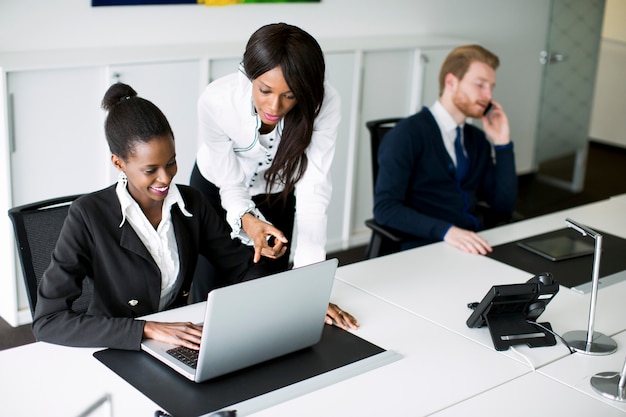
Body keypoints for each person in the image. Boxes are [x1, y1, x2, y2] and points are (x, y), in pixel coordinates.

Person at [32, 83, 354, 351]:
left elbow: (241, 266)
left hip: (184, 342)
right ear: (119, 164)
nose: (165, 178)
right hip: (116, 347)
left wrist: (299, 300)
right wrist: (146, 329)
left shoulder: (192, 203)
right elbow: (48, 321)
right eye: (150, 170)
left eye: (171, 163)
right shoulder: (87, 216)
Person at [190, 23, 357, 329]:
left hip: (276, 192)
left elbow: (313, 189)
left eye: (290, 96)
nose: (274, 106)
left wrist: (311, 294)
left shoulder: (325, 102)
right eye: (265, 90)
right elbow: (230, 184)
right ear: (248, 74)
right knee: (208, 290)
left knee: (271, 291)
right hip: (215, 189)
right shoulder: (216, 100)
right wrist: (247, 219)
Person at [374, 44, 517, 255]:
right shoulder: (407, 135)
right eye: (480, 85)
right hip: (426, 248)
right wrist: (447, 231)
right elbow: (386, 209)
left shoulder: (477, 140)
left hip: (473, 245)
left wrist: (502, 143)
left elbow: (503, 206)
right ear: (451, 82)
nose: (488, 95)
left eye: (491, 87)